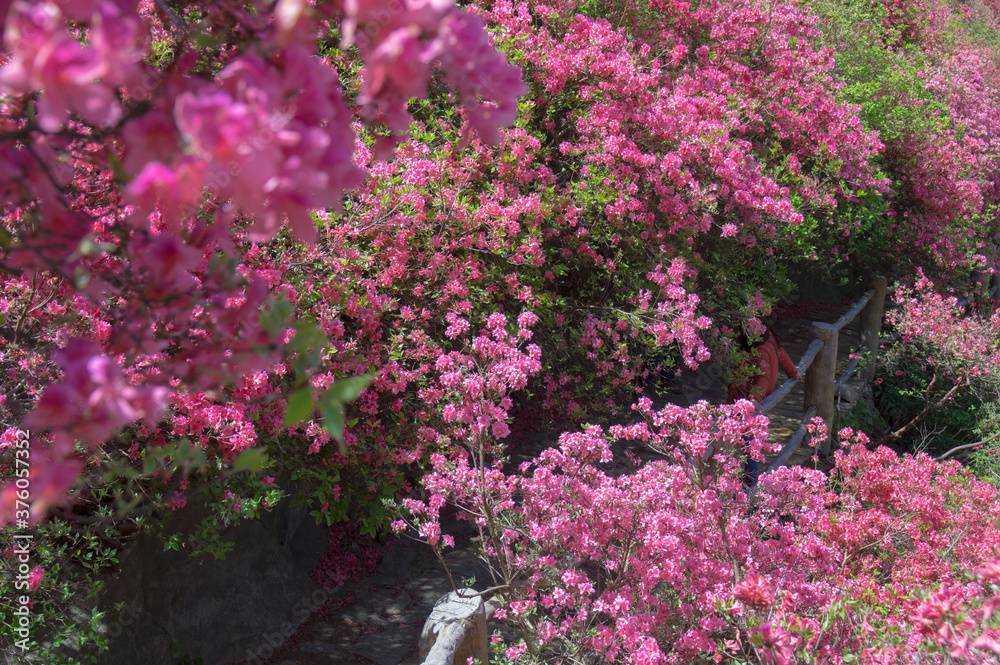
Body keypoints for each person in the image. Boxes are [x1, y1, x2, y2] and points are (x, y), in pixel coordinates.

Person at [727, 323, 800, 486]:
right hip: (746, 398)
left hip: (745, 401)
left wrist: (754, 398)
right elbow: (780, 353)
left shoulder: (759, 350)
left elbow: (763, 378)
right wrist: (793, 372)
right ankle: (744, 477)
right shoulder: (770, 338)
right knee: (744, 439)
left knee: (746, 439)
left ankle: (751, 478)